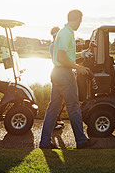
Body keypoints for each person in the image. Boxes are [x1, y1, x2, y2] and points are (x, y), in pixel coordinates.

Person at [39, 10, 97, 149]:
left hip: (57, 73)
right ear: (76, 19)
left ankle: (45, 142)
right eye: (80, 20)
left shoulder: (65, 32)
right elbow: (60, 58)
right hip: (65, 75)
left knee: (53, 108)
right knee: (74, 107)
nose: (80, 23)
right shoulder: (66, 34)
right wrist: (78, 67)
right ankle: (81, 141)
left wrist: (81, 54)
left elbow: (66, 56)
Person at [49, 26, 64, 130]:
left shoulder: (54, 45)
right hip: (58, 73)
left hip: (57, 73)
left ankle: (57, 119)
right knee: (56, 101)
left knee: (61, 100)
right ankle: (53, 123)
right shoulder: (54, 46)